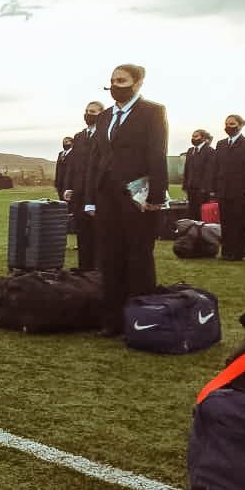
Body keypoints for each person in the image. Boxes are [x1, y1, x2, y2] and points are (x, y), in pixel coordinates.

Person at [83, 64, 168, 336]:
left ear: (138, 82)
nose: (115, 85)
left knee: (138, 256)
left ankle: (141, 320)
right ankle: (112, 320)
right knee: (110, 256)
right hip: (107, 194)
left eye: (122, 80)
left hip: (137, 196)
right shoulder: (106, 116)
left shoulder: (153, 112)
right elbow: (96, 159)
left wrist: (156, 195)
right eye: (112, 80)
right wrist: (91, 198)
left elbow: (157, 154)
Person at [62, 101, 105, 271]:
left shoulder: (105, 135)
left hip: (98, 191)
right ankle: (84, 269)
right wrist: (68, 186)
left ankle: (98, 270)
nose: (88, 114)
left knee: (98, 232)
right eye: (87, 111)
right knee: (82, 231)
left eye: (93, 111)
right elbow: (73, 165)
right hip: (79, 192)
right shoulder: (79, 137)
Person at [213, 115, 245, 261]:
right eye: (226, 123)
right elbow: (216, 168)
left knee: (240, 221)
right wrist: (215, 188)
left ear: (241, 125)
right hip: (223, 191)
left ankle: (238, 252)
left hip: (241, 191)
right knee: (226, 222)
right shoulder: (220, 144)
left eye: (232, 123)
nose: (228, 126)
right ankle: (226, 251)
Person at [182, 129, 214, 221]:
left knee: (201, 213)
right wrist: (185, 185)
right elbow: (187, 169)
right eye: (192, 136)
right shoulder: (190, 150)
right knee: (191, 212)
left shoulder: (210, 151)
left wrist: (205, 188)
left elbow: (209, 172)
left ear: (203, 138)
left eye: (196, 136)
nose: (193, 138)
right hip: (191, 188)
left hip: (202, 190)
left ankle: (201, 233)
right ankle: (193, 233)